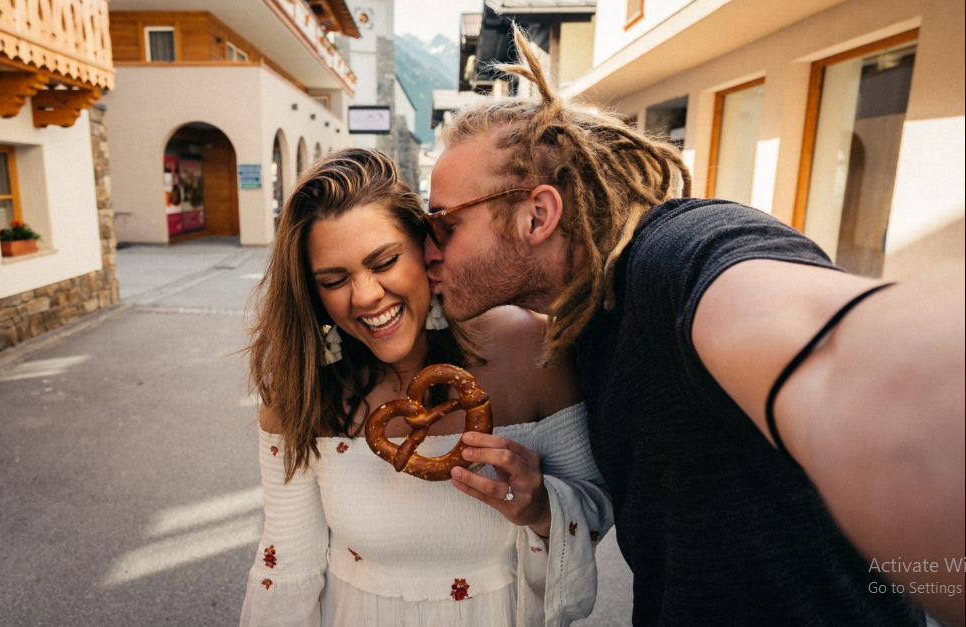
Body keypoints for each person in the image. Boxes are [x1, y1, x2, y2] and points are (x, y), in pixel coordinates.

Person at [424, 27, 964, 627]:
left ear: (538, 214)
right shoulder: (591, 316)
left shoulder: (675, 258)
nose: (428, 251)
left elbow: (837, 353)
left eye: (443, 224)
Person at [240, 148, 613, 627]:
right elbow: (287, 558)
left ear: (426, 249)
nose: (366, 295)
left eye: (385, 261)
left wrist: (543, 508)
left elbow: (597, 506)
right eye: (335, 280)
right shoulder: (300, 391)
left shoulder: (531, 351)